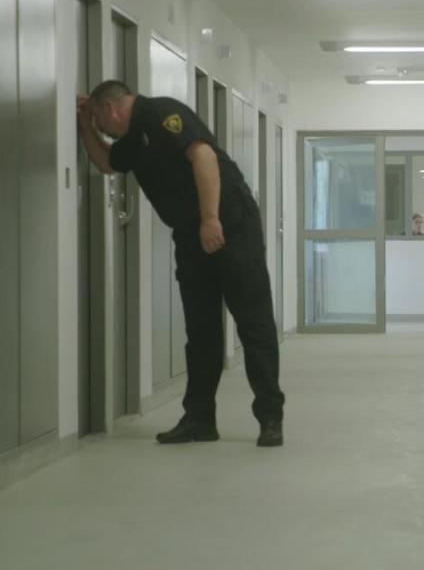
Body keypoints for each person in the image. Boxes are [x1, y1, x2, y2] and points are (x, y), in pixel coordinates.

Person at [77, 80, 285, 447]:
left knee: (253, 323)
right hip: (191, 234)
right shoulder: (130, 142)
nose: (100, 127)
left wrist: (210, 219)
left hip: (230, 225)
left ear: (110, 109)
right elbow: (106, 163)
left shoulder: (162, 113)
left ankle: (270, 418)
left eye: (98, 119)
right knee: (200, 330)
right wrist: (83, 124)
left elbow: (203, 156)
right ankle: (199, 420)